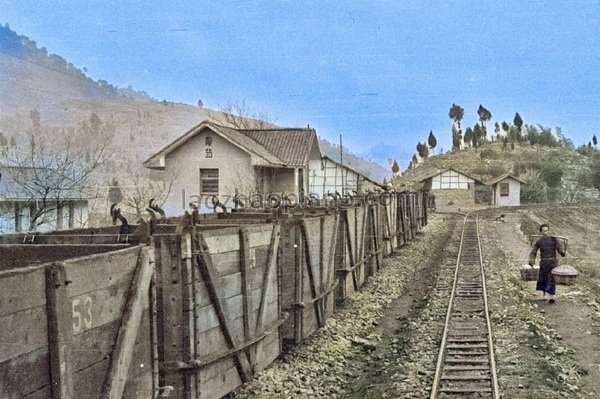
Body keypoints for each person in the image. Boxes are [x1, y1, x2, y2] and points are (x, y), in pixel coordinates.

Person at [529, 223, 566, 303]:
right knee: (543, 278)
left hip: (553, 262)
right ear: (541, 232)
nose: (545, 232)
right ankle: (545, 295)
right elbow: (533, 251)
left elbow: (559, 247)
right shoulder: (539, 241)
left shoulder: (554, 239)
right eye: (544, 231)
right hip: (544, 262)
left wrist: (562, 252)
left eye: (547, 231)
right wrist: (532, 261)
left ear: (549, 231)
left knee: (552, 278)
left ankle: (552, 295)